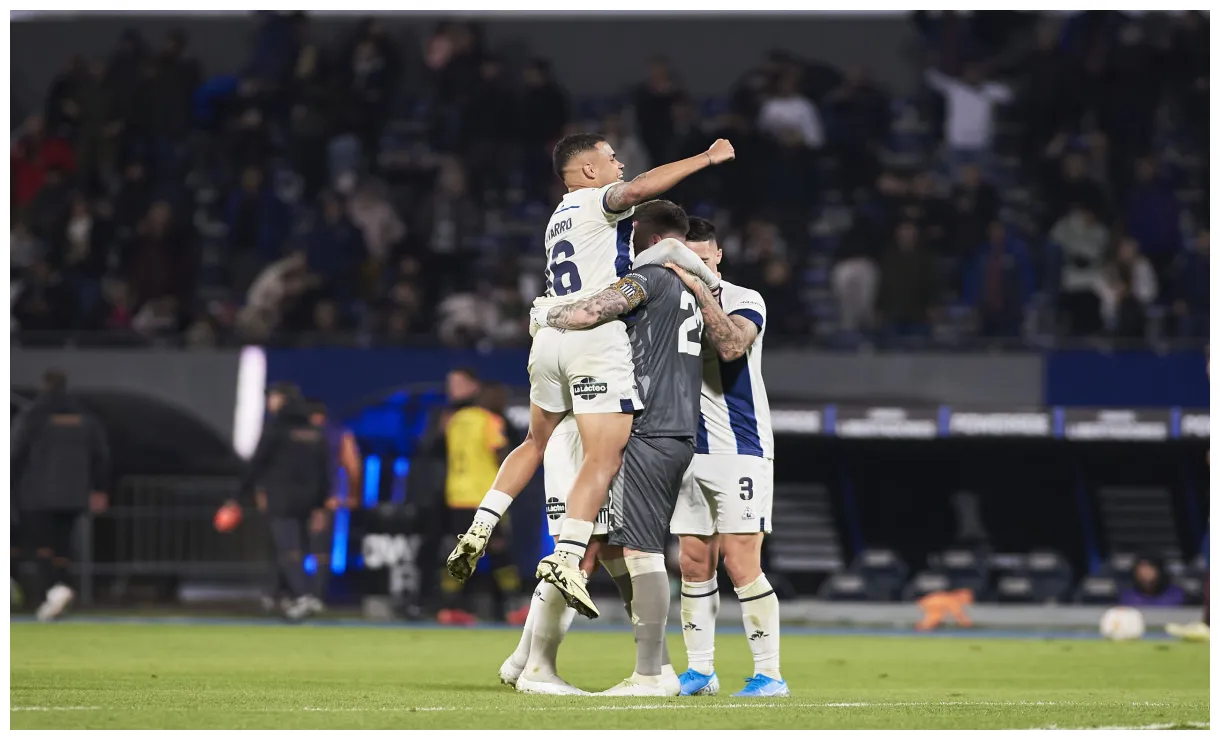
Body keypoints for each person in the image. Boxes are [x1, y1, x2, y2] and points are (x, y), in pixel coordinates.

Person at [447, 132, 730, 620]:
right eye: (612, 157)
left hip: (547, 333)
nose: (620, 164)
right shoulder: (598, 203)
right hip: (591, 334)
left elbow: (657, 249)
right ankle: (568, 557)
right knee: (605, 454)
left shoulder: (558, 219)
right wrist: (707, 158)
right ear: (588, 171)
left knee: (536, 441)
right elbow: (638, 192)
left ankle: (482, 522)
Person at [450, 200, 703, 696]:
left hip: (621, 427)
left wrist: (545, 312)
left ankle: (540, 663)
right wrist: (704, 276)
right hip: (658, 426)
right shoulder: (698, 291)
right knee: (607, 549)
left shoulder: (643, 282)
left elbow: (590, 311)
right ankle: (548, 662)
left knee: (596, 550)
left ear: (646, 242)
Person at [663, 216, 787, 698]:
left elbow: (732, 347)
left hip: (741, 449)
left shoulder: (743, 298)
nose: (690, 265)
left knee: (741, 562)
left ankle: (770, 674)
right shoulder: (665, 305)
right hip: (688, 450)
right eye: (681, 258)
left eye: (699, 256)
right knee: (693, 563)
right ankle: (700, 672)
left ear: (716, 256)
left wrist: (698, 291)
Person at [225, 382, 331, 622]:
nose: (269, 402)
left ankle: (304, 597)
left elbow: (257, 464)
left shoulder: (276, 429)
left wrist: (236, 497)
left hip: (282, 497)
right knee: (300, 549)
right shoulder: (313, 432)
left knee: (287, 549)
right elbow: (324, 470)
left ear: (282, 400)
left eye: (272, 397)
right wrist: (321, 505)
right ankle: (289, 596)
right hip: (309, 499)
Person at [11, 370, 110, 622]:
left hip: (36, 493)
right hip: (73, 494)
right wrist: (99, 489)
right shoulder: (84, 416)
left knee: (39, 546)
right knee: (63, 546)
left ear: (43, 385)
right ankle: (62, 588)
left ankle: (49, 593)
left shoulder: (33, 415)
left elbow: (15, 451)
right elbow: (101, 456)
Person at [437, 382, 521, 625]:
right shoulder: (491, 421)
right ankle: (513, 607)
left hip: (456, 495)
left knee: (462, 552)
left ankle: (448, 608)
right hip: (484, 497)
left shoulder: (456, 419)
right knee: (500, 550)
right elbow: (502, 455)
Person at [306, 400, 363, 611]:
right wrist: (353, 496)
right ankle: (314, 596)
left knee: (293, 546)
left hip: (299, 499)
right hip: (324, 500)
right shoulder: (337, 433)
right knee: (319, 549)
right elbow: (353, 466)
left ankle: (296, 595)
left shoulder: (297, 432)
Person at [1118, 554, 1186, 608]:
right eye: (1142, 570)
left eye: (1150, 569)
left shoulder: (1177, 595)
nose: (1146, 574)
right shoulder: (1127, 597)